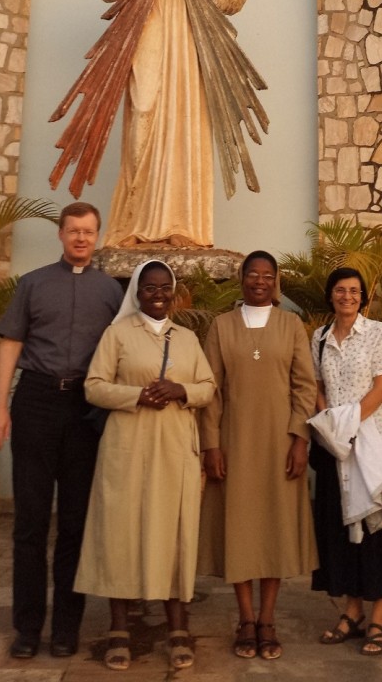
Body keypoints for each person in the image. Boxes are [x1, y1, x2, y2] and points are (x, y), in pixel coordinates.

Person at [0, 202, 123, 660]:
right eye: (73, 231)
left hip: (85, 409)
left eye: (88, 231)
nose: (81, 238)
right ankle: (27, 628)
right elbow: (10, 346)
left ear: (97, 234)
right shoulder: (33, 284)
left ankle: (67, 627)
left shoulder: (112, 292)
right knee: (29, 521)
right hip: (36, 402)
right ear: (61, 235)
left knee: (75, 523)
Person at [89, 0, 249, 249]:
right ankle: (133, 224)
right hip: (148, 33)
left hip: (191, 42)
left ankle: (184, 223)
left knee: (186, 125)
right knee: (143, 114)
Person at [74, 260, 216, 671]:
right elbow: (94, 386)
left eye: (164, 287)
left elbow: (207, 387)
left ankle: (177, 626)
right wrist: (136, 396)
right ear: (137, 292)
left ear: (174, 292)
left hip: (174, 449)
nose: (158, 293)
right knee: (122, 532)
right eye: (150, 287)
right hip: (128, 448)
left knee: (174, 534)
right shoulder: (117, 334)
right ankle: (119, 627)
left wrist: (179, 389)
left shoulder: (187, 339)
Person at [198, 250, 318, 660]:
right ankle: (245, 619)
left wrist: (300, 439)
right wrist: (211, 444)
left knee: (272, 530)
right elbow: (210, 390)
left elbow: (305, 386)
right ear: (242, 278)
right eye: (253, 274)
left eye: (268, 275)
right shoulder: (221, 326)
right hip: (233, 445)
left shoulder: (291, 325)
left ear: (276, 281)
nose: (260, 281)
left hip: (280, 447)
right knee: (240, 530)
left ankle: (268, 619)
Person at [309, 267, 382, 656]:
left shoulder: (379, 333)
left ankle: (379, 615)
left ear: (362, 297)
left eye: (353, 291)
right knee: (340, 526)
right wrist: (331, 425)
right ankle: (352, 611)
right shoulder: (318, 337)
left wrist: (349, 423)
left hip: (371, 439)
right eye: (340, 290)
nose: (346, 296)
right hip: (334, 444)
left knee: (376, 528)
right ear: (330, 295)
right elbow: (316, 386)